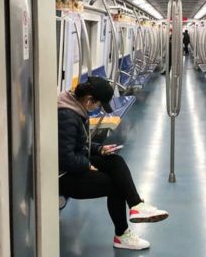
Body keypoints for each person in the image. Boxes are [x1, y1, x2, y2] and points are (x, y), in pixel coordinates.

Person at [58, 76, 169, 250]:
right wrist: (87, 165)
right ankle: (122, 235)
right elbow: (65, 157)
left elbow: (77, 145)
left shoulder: (74, 107)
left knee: (115, 161)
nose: (98, 109)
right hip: (62, 176)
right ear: (89, 100)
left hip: (72, 165)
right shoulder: (67, 116)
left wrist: (99, 149)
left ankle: (136, 205)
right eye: (99, 105)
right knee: (115, 185)